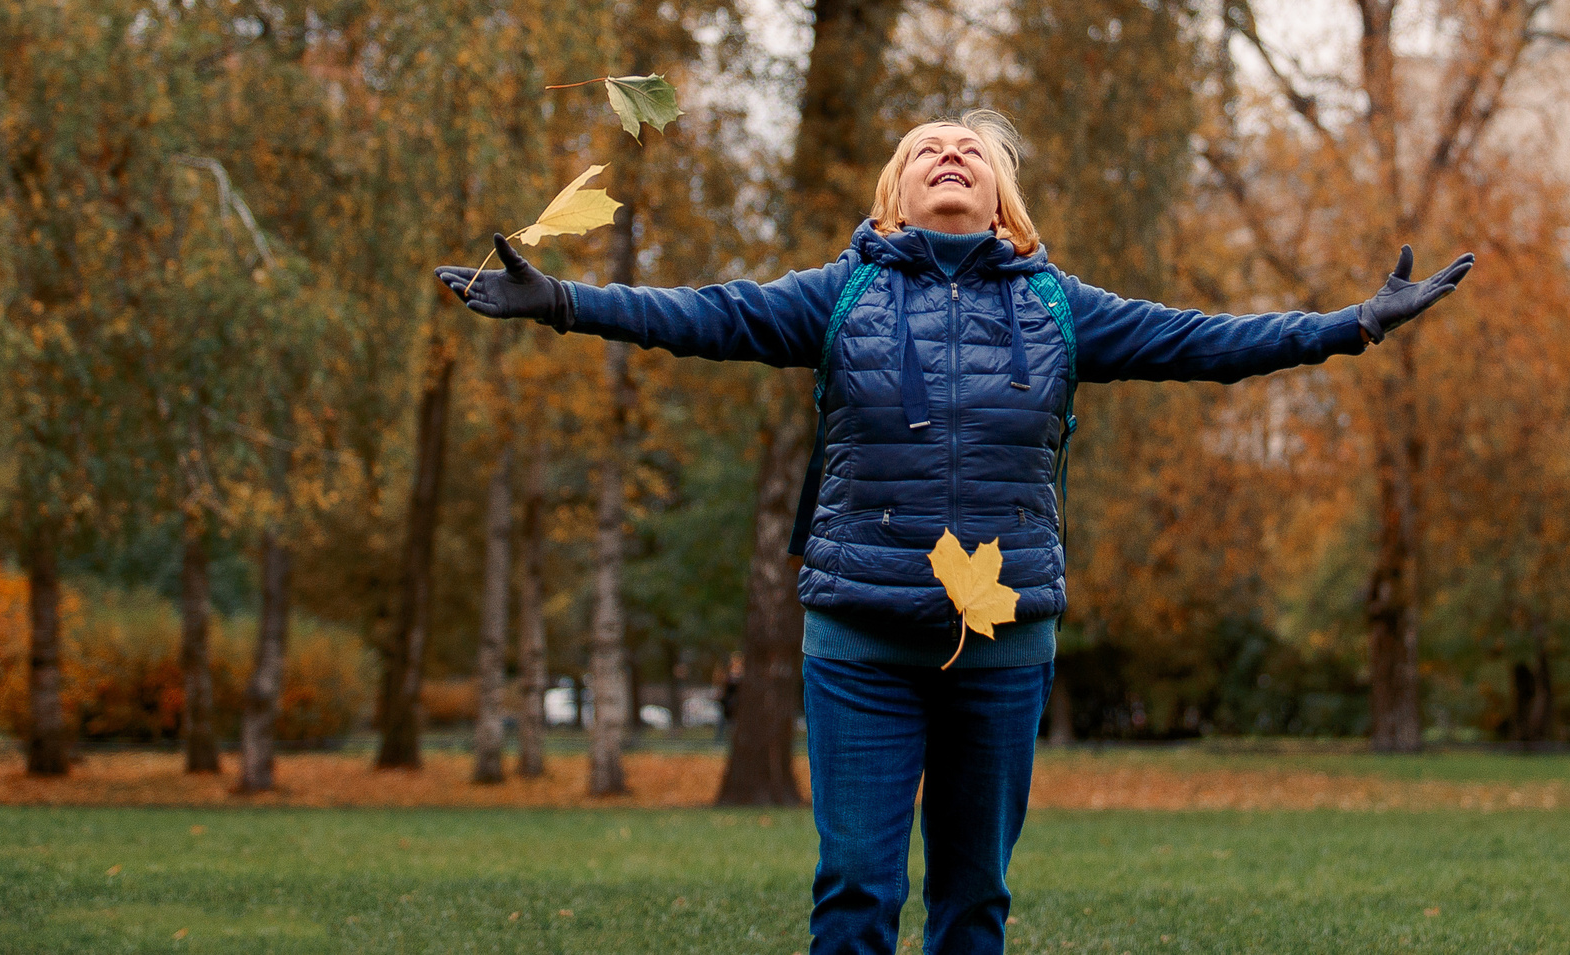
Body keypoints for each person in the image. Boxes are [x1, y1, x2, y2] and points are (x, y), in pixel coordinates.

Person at [437, 109, 1471, 955]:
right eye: (925, 147)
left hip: (1003, 644)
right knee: (855, 890)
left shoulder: (1060, 307)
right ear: (893, 192)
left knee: (974, 898)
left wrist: (1352, 324)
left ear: (1001, 197)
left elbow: (1205, 340)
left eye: (970, 149)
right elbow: (702, 313)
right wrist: (562, 299)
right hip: (860, 640)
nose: (948, 154)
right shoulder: (840, 294)